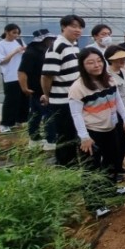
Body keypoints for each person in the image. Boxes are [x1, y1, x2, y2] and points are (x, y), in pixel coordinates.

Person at [69, 48, 125, 217]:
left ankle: (110, 190)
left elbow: (117, 99)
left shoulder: (108, 79)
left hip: (111, 128)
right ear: (82, 65)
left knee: (112, 160)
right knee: (92, 169)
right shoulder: (78, 87)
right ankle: (94, 204)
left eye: (98, 61)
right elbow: (76, 113)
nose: (96, 65)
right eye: (90, 62)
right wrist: (84, 137)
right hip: (92, 132)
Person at [42, 14, 85, 166]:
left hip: (74, 99)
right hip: (62, 101)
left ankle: (72, 165)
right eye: (73, 26)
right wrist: (47, 95)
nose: (77, 30)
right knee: (65, 137)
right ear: (63, 27)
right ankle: (66, 168)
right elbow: (47, 76)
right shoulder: (57, 47)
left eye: (80, 27)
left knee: (73, 135)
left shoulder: (73, 46)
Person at [18, 29, 57, 150]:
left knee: (36, 114)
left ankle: (35, 139)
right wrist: (24, 88)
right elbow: (22, 71)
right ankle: (50, 140)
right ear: (42, 40)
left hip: (43, 88)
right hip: (37, 89)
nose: (51, 41)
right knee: (47, 114)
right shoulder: (31, 53)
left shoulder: (45, 51)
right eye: (49, 39)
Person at [104, 45, 125, 166]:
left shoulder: (123, 71)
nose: (122, 60)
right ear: (110, 59)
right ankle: (113, 168)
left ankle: (119, 165)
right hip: (116, 111)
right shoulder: (106, 73)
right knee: (115, 140)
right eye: (118, 58)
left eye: (124, 58)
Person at [0, 23, 28, 133]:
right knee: (11, 100)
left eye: (17, 33)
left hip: (22, 75)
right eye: (14, 33)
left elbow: (25, 54)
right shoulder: (0, 45)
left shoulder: (19, 42)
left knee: (24, 99)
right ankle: (5, 124)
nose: (16, 35)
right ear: (6, 32)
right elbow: (2, 61)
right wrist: (14, 51)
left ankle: (21, 120)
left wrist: (25, 50)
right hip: (10, 76)